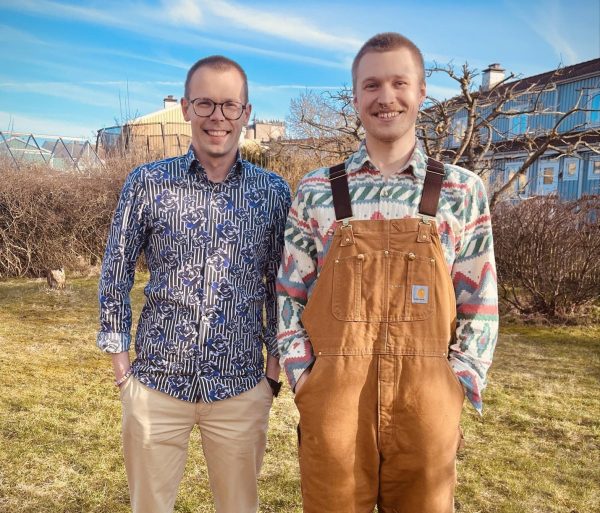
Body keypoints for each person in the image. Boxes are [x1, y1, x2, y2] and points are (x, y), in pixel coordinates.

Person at [277, 33, 498, 513]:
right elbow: (288, 295)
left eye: (400, 82)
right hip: (335, 399)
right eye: (371, 84)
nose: (386, 96)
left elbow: (480, 301)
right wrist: (305, 380)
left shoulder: (462, 190)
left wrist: (457, 383)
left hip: (426, 400)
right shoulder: (316, 190)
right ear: (355, 97)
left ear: (421, 92)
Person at [97, 55, 291, 513]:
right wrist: (123, 369)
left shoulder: (274, 192)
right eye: (204, 103)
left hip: (242, 388)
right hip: (156, 386)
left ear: (246, 112)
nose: (217, 117)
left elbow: (282, 287)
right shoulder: (147, 184)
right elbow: (115, 273)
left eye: (229, 105)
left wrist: (272, 371)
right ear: (185, 108)